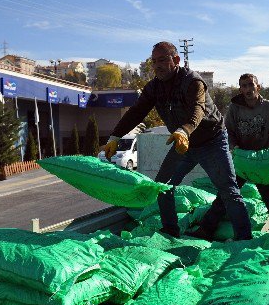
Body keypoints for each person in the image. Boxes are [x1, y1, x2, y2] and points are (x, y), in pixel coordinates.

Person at [102, 41, 253, 240]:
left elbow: (198, 109)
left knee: (229, 191)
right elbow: (136, 112)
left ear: (176, 60)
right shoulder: (154, 87)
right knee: (163, 186)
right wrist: (115, 135)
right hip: (184, 145)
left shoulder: (192, 81)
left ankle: (244, 238)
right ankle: (171, 230)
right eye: (154, 61)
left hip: (212, 141)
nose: (157, 66)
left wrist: (184, 130)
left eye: (163, 60)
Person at [191, 73, 269, 240]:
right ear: (240, 89)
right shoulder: (235, 108)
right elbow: (229, 132)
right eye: (244, 86)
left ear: (258, 87)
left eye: (251, 85)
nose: (248, 89)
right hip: (242, 161)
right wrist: (234, 147)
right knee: (226, 196)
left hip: (262, 162)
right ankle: (206, 229)